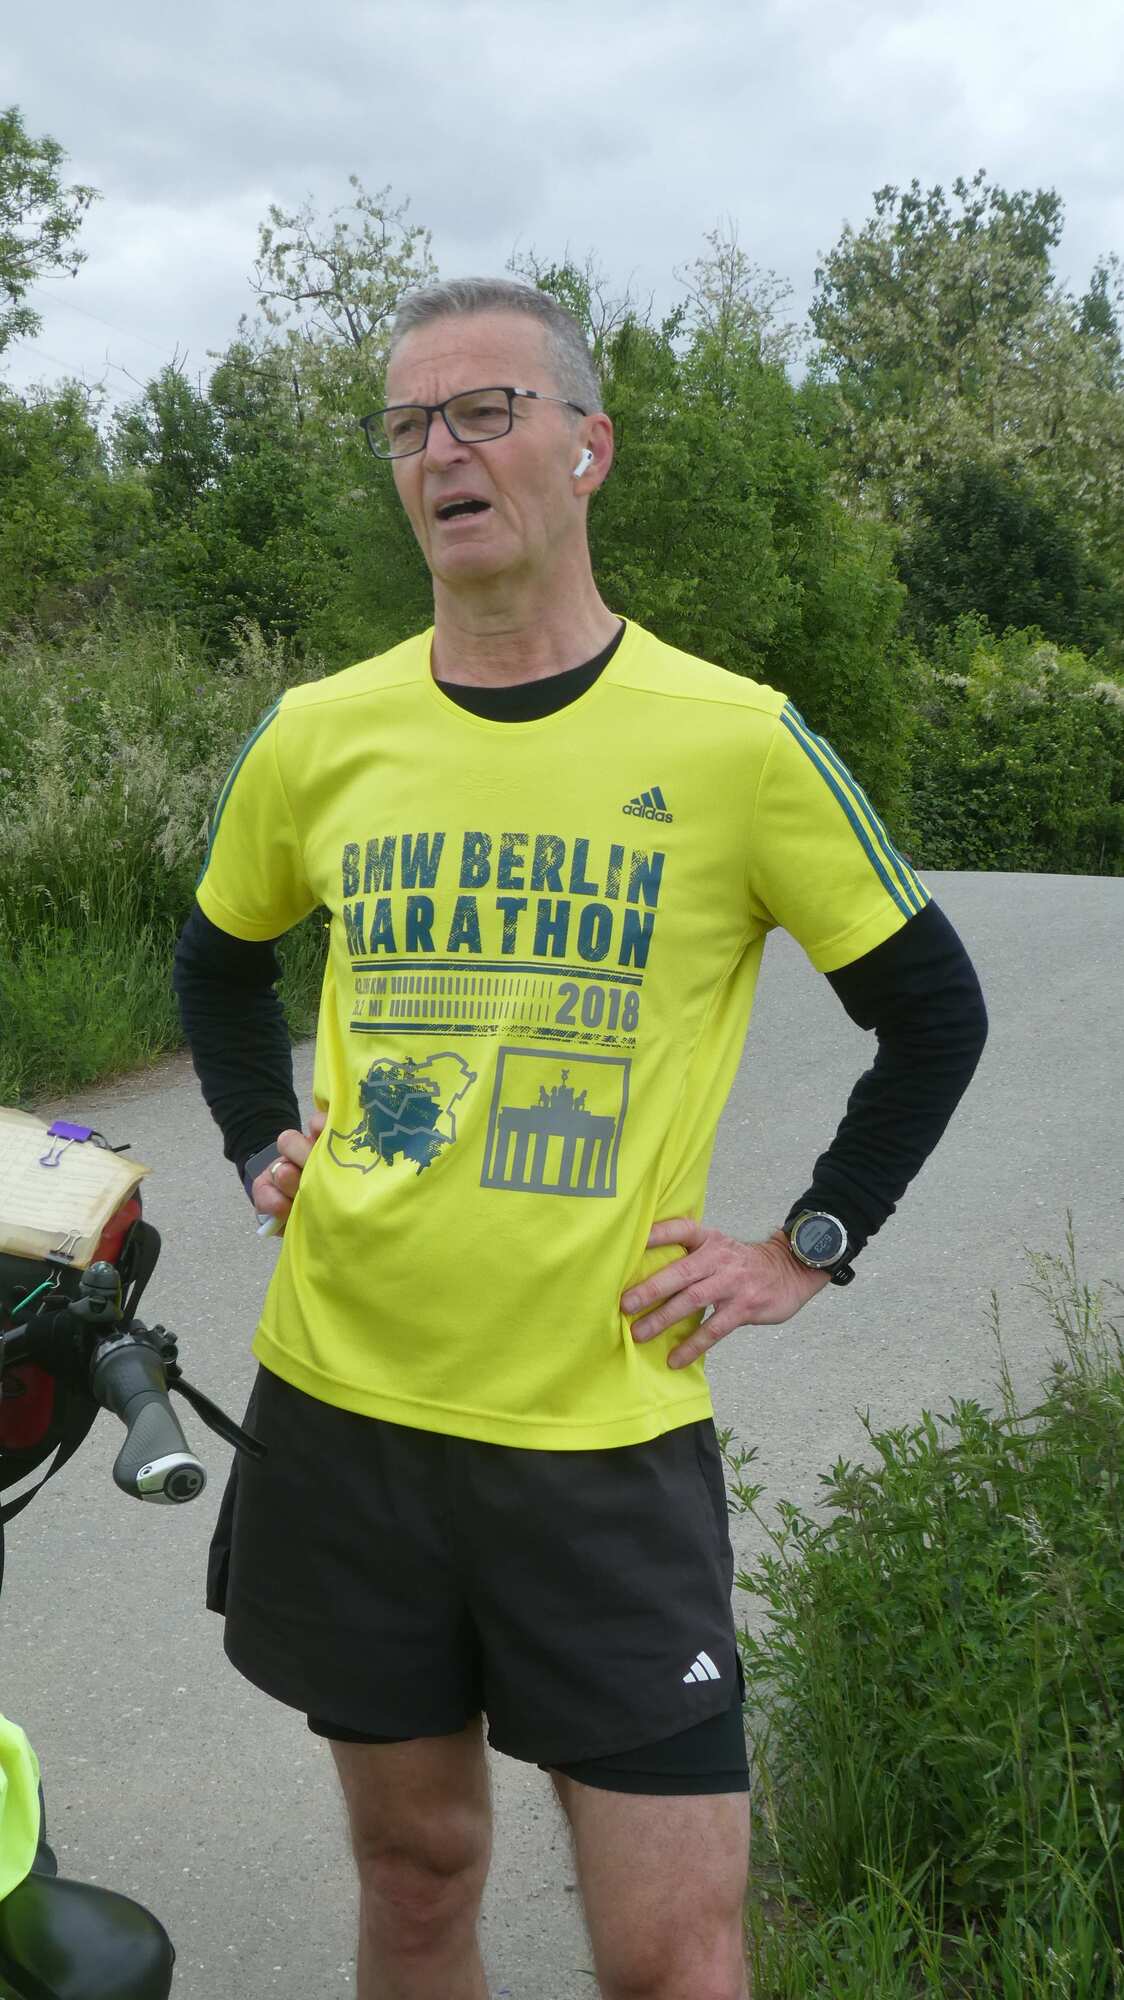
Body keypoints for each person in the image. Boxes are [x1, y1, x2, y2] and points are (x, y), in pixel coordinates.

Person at [174, 278, 987, 2000]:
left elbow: (935, 1014)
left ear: (588, 447)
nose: (441, 451)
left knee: (673, 1953)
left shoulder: (736, 740)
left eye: (485, 410)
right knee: (415, 1877)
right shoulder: (321, 732)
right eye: (408, 424)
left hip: (601, 1438)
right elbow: (218, 956)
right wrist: (257, 1137)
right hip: (346, 1408)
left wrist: (809, 1245)